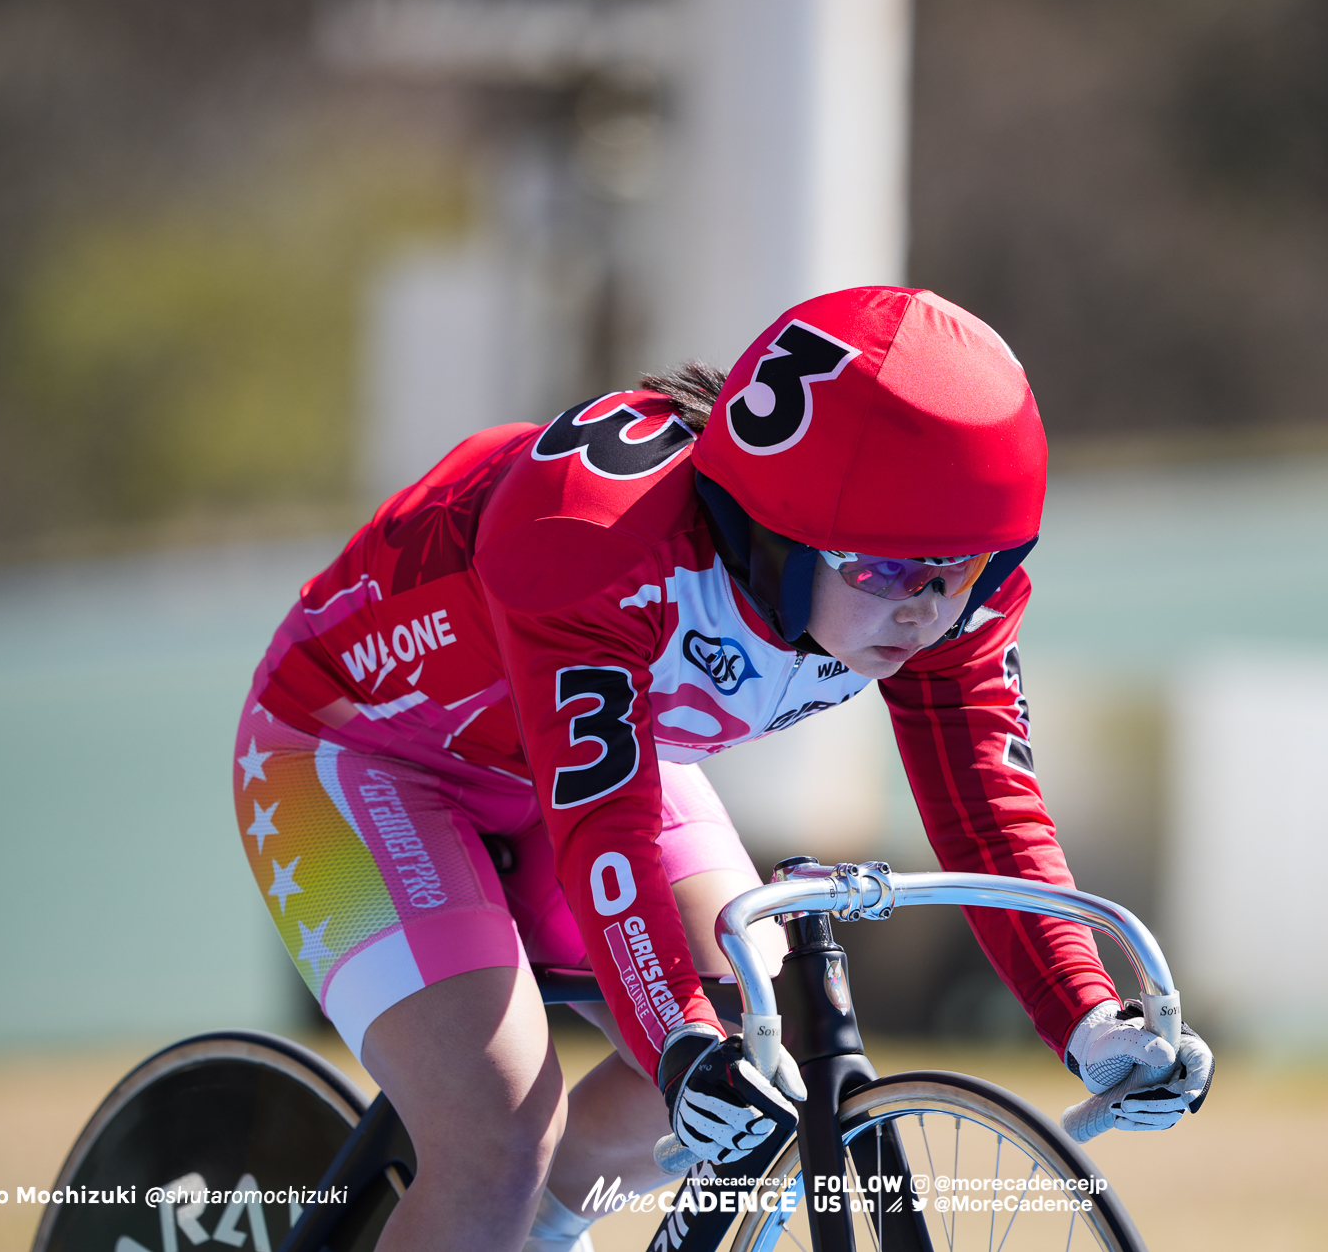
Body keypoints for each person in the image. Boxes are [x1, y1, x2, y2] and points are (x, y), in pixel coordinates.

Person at [230, 285, 1214, 1251]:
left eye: (966, 569)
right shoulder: (593, 539)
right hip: (357, 754)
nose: (928, 611)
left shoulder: (944, 585)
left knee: (756, 1059)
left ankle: (536, 1224)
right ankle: (500, 1194)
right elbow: (602, 826)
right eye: (884, 571)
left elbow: (993, 816)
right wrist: (678, 1045)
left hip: (579, 763)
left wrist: (1092, 1015)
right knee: (495, 1131)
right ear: (776, 529)